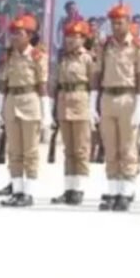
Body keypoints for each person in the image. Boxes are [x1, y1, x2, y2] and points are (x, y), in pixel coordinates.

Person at [93, 0, 140, 212]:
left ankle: (126, 192)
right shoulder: (105, 46)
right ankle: (113, 191)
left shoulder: (138, 46)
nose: (116, 26)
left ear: (128, 22)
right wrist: (92, 102)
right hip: (108, 97)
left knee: (128, 147)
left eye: (120, 22)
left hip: (128, 98)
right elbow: (97, 73)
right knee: (110, 147)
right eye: (113, 23)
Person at [0, 14, 49, 207]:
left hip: (30, 101)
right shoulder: (10, 56)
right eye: (13, 33)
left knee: (30, 151)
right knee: (14, 150)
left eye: (20, 33)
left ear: (30, 36)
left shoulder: (37, 56)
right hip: (12, 101)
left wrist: (46, 113)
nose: (15, 37)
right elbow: (2, 82)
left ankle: (28, 193)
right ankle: (17, 191)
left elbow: (42, 85)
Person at [51, 19, 96, 206]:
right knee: (68, 149)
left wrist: (93, 108)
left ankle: (79, 189)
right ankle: (68, 188)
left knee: (81, 149)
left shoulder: (88, 58)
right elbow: (56, 83)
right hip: (64, 103)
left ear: (83, 39)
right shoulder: (63, 58)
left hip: (81, 104)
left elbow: (93, 84)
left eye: (75, 36)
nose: (70, 40)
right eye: (68, 36)